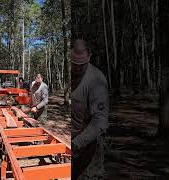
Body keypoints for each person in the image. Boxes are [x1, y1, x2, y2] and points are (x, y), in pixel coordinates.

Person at [71, 39, 109, 180]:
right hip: (73, 138)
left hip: (89, 140)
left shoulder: (96, 80)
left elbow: (100, 121)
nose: (78, 68)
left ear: (89, 56)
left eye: (82, 65)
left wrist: (78, 143)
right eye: (74, 64)